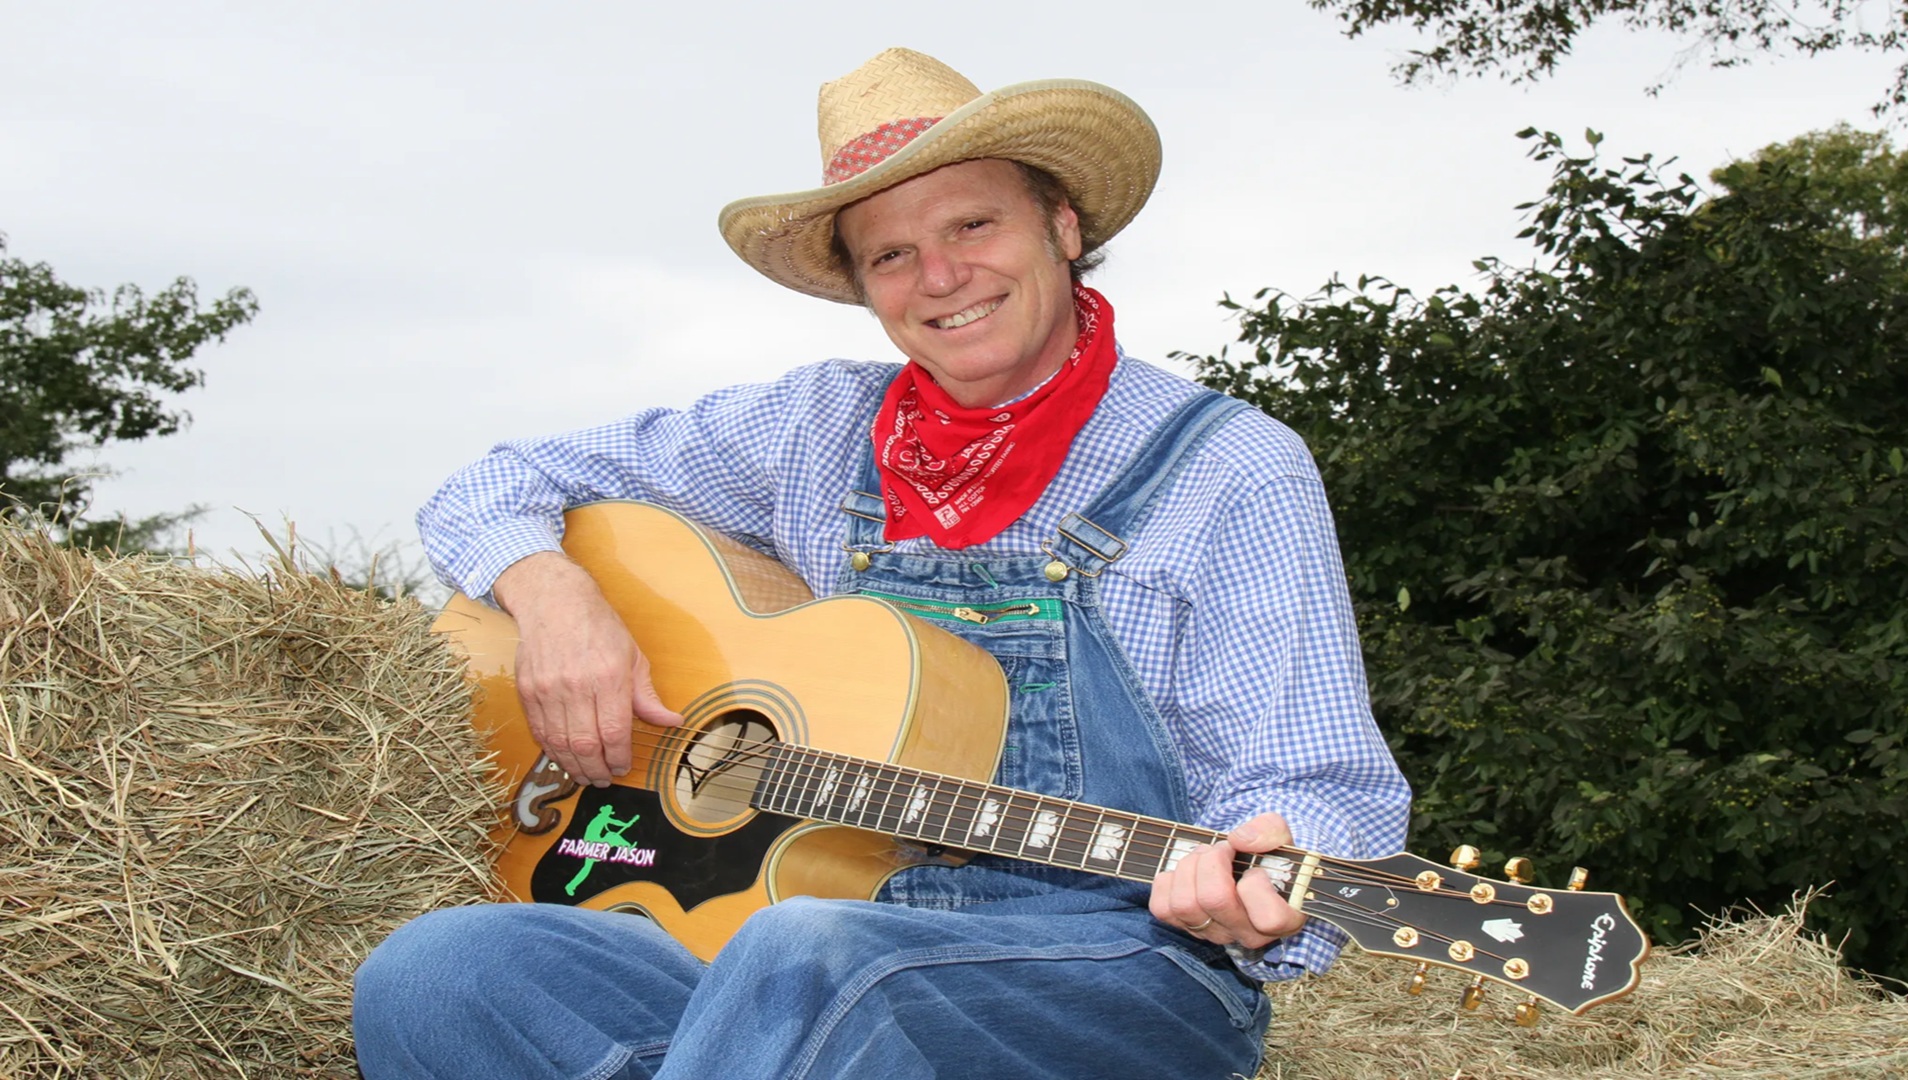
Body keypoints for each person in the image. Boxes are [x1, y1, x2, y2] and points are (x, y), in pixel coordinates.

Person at [353, 48, 1410, 1080]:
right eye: (892, 255)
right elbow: (486, 487)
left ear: (1063, 224)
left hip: (1117, 959)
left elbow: (1318, 786)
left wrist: (1265, 877)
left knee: (812, 962)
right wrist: (554, 597)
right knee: (437, 973)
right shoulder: (814, 425)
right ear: (862, 286)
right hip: (798, 927)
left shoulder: (1227, 466)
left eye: (972, 224)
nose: (940, 276)